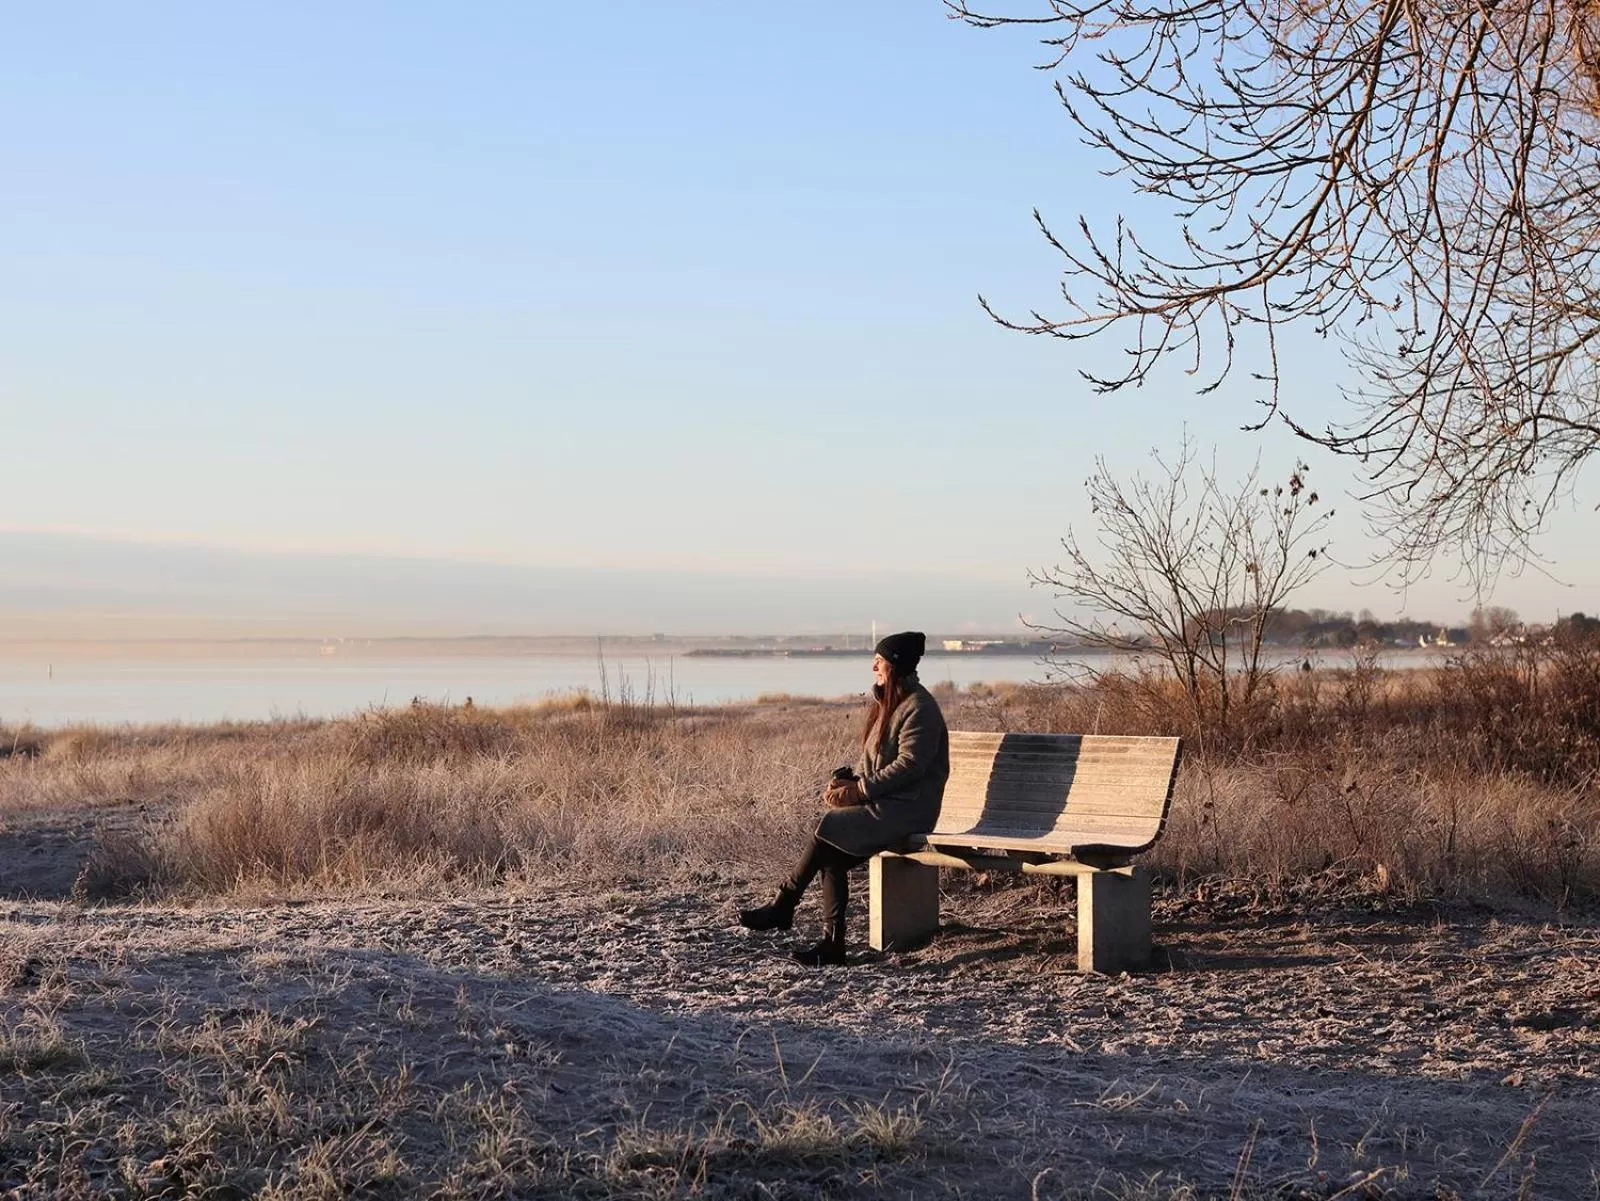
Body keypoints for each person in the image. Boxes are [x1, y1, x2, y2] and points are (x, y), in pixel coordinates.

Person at [738, 631, 950, 966]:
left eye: (878, 661)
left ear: (894, 665)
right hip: (888, 805)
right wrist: (851, 781)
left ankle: (785, 903)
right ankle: (831, 944)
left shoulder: (919, 708)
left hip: (911, 809)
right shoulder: (891, 704)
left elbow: (910, 766)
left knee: (829, 824)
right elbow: (881, 764)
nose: (873, 668)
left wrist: (861, 791)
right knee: (832, 854)